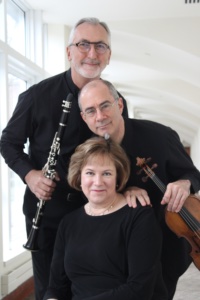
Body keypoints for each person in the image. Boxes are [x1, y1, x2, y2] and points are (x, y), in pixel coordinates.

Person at [0, 18, 128, 300]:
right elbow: (8, 142)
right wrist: (31, 176)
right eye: (83, 44)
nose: (92, 53)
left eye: (100, 46)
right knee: (50, 290)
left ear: (108, 55)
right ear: (69, 52)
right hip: (48, 212)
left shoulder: (115, 100)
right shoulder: (36, 96)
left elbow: (120, 151)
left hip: (98, 209)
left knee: (94, 285)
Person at [77, 79, 200, 300]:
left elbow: (193, 175)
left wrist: (184, 183)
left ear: (120, 105)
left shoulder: (161, 136)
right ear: (84, 118)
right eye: (90, 111)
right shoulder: (87, 151)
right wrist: (121, 193)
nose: (100, 116)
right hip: (116, 248)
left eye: (105, 105)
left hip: (165, 246)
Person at [43, 136, 165, 300]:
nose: (98, 182)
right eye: (90, 173)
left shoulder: (139, 217)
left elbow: (139, 289)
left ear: (118, 177)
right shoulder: (68, 222)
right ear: (79, 177)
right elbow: (56, 286)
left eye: (107, 173)